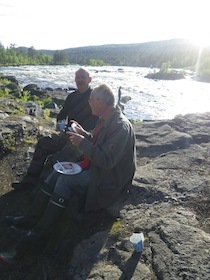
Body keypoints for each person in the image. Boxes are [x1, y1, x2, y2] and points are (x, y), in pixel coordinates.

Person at [3, 83, 136, 256]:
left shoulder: (120, 126)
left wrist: (83, 142)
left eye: (91, 99)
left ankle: (39, 234)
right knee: (57, 171)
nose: (88, 101)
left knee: (65, 180)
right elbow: (97, 143)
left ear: (102, 102)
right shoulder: (105, 118)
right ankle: (28, 220)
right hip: (98, 170)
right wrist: (84, 134)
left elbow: (107, 161)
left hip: (109, 180)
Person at [12, 67, 98, 190]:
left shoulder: (95, 98)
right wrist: (60, 125)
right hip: (67, 134)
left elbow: (98, 126)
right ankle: (30, 180)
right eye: (77, 77)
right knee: (43, 143)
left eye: (82, 77)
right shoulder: (72, 97)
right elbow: (62, 115)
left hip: (83, 141)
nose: (79, 80)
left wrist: (84, 135)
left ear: (89, 79)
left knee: (59, 158)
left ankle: (43, 188)